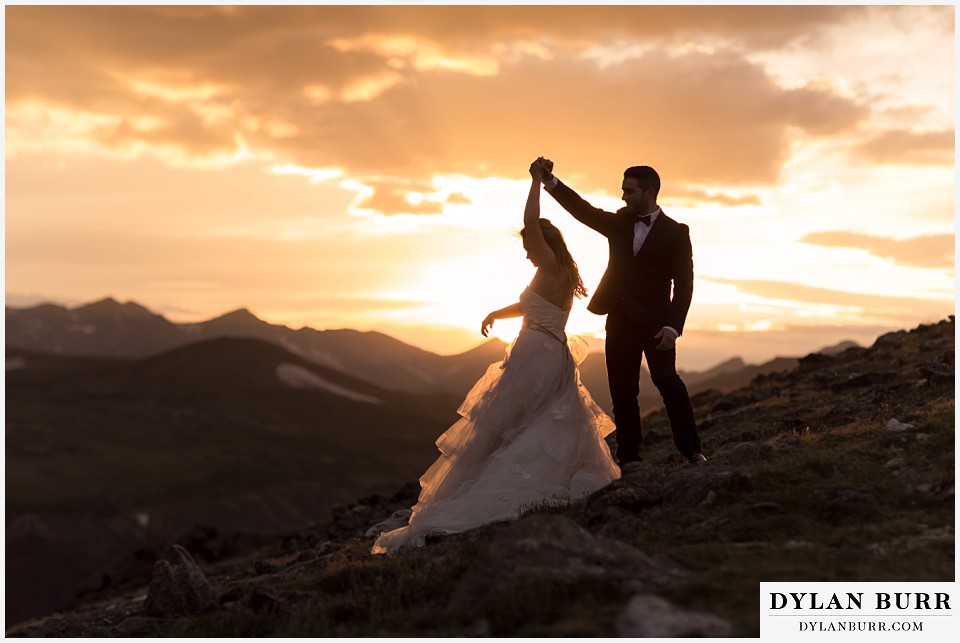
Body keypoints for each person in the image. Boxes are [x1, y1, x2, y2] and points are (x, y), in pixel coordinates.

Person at [371, 160, 619, 555]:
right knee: (532, 424)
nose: (526, 254)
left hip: (535, 353)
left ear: (542, 243)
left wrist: (536, 182)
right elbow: (533, 306)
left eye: (528, 247)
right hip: (552, 355)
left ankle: (489, 493)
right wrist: (496, 314)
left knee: (503, 425)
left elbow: (531, 221)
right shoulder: (560, 272)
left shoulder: (548, 261)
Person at [533, 158, 706, 468]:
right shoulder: (619, 222)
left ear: (650, 192)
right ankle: (629, 459)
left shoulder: (676, 233)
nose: (623, 197)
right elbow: (583, 210)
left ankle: (692, 451)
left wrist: (673, 327)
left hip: (657, 324)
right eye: (623, 190)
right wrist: (551, 182)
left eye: (630, 191)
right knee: (623, 393)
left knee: (668, 382)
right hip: (620, 318)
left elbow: (685, 285)